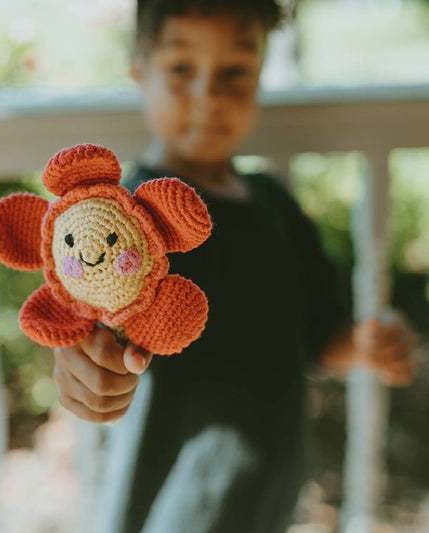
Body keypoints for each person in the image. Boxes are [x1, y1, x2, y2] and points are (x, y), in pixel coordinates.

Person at [52, 1, 418, 531]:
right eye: (181, 69)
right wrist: (78, 367)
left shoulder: (273, 205)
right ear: (140, 72)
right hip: (169, 508)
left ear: (262, 73)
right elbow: (87, 328)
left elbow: (319, 336)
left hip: (267, 500)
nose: (209, 96)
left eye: (235, 72)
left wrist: (364, 345)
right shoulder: (126, 221)